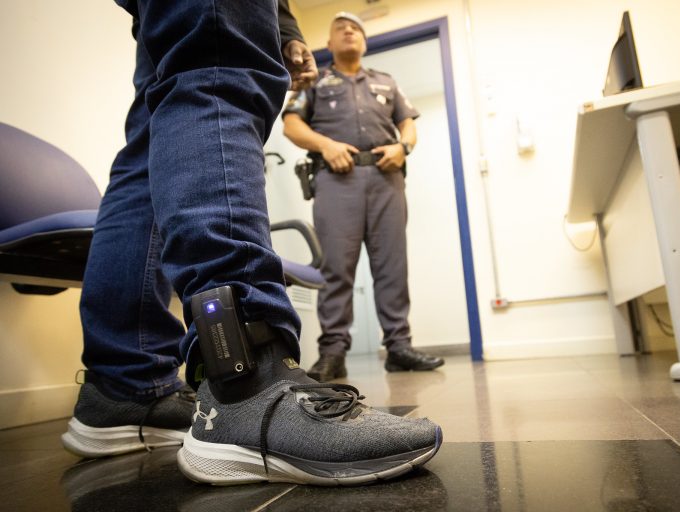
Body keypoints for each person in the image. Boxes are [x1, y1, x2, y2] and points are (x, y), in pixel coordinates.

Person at [61, 0, 441, 486]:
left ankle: (125, 385)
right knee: (218, 67)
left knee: (150, 144)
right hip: (338, 178)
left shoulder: (385, 82)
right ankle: (244, 382)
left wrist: (282, 24)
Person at [282, 12, 445, 382]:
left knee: (392, 266)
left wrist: (403, 147)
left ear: (365, 41)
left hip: (387, 179)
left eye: (355, 28)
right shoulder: (314, 81)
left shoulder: (386, 82)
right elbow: (291, 125)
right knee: (335, 268)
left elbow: (407, 125)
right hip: (336, 180)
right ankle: (333, 352)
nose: (349, 31)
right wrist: (326, 146)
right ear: (329, 42)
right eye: (340, 28)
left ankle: (399, 347)